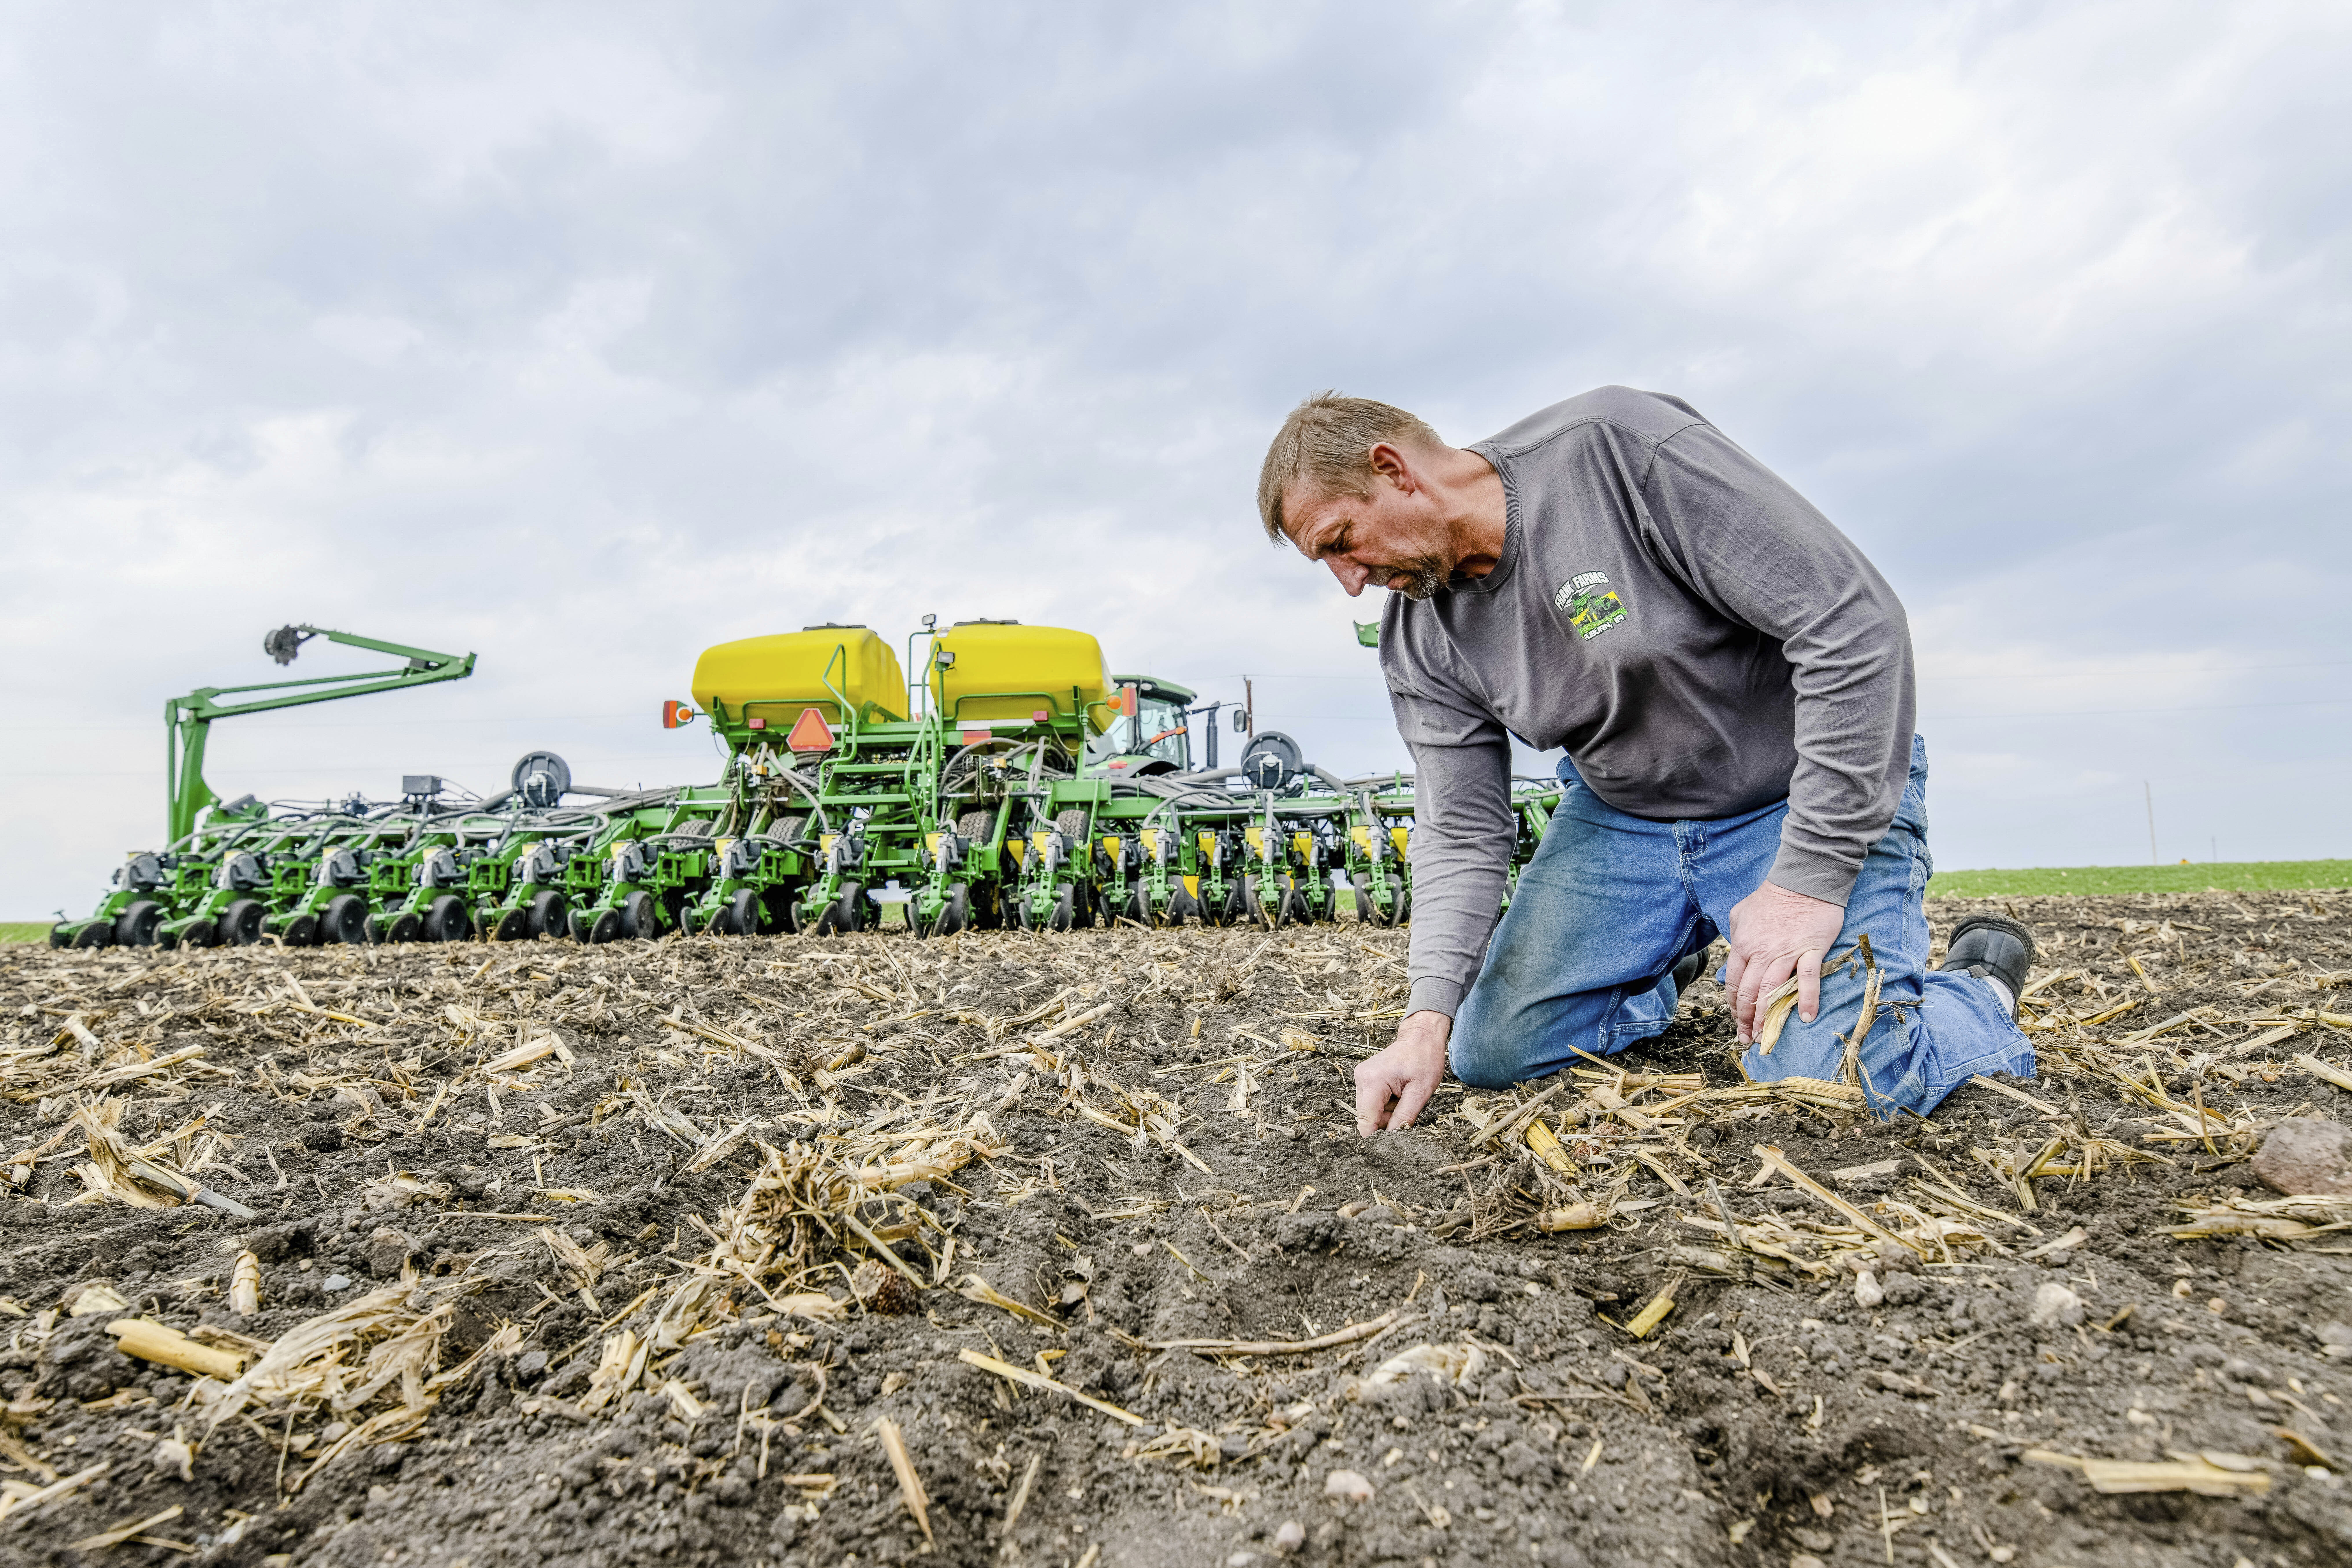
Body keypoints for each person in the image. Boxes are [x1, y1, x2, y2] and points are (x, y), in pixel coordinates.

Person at [1254, 387, 2037, 1135]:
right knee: (1490, 1054)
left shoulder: (1617, 453)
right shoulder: (1420, 635)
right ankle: (1656, 960)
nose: (1351, 582)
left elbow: (1849, 624)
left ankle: (1975, 989)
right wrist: (1424, 1020)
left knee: (1851, 1083)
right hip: (1626, 820)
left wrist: (1805, 884)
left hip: (1792, 799)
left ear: (1394, 471)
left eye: (1341, 542)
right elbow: (1461, 829)